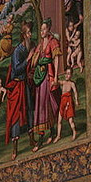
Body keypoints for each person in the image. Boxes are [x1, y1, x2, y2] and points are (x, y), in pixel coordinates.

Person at [30, 19, 61, 151]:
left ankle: (47, 134)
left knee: (49, 104)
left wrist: (56, 77)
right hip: (40, 77)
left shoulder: (53, 41)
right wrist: (34, 56)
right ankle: (45, 134)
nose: (42, 31)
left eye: (44, 29)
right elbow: (34, 61)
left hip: (49, 75)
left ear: (48, 29)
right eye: (41, 29)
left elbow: (56, 59)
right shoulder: (40, 44)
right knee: (41, 105)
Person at [5, 21, 34, 160]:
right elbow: (16, 69)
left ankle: (32, 140)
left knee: (29, 110)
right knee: (16, 115)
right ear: (23, 35)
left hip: (25, 84)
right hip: (17, 86)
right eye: (28, 33)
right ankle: (14, 149)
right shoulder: (18, 51)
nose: (30, 35)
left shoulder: (29, 47)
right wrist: (28, 60)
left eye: (30, 32)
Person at [54, 69, 79, 143]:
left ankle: (74, 132)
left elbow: (75, 92)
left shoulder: (72, 84)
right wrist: (55, 78)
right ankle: (58, 135)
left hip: (69, 102)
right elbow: (56, 82)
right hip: (62, 102)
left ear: (71, 75)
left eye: (68, 74)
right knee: (59, 120)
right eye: (66, 73)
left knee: (71, 120)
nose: (67, 75)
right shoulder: (63, 82)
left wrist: (76, 100)